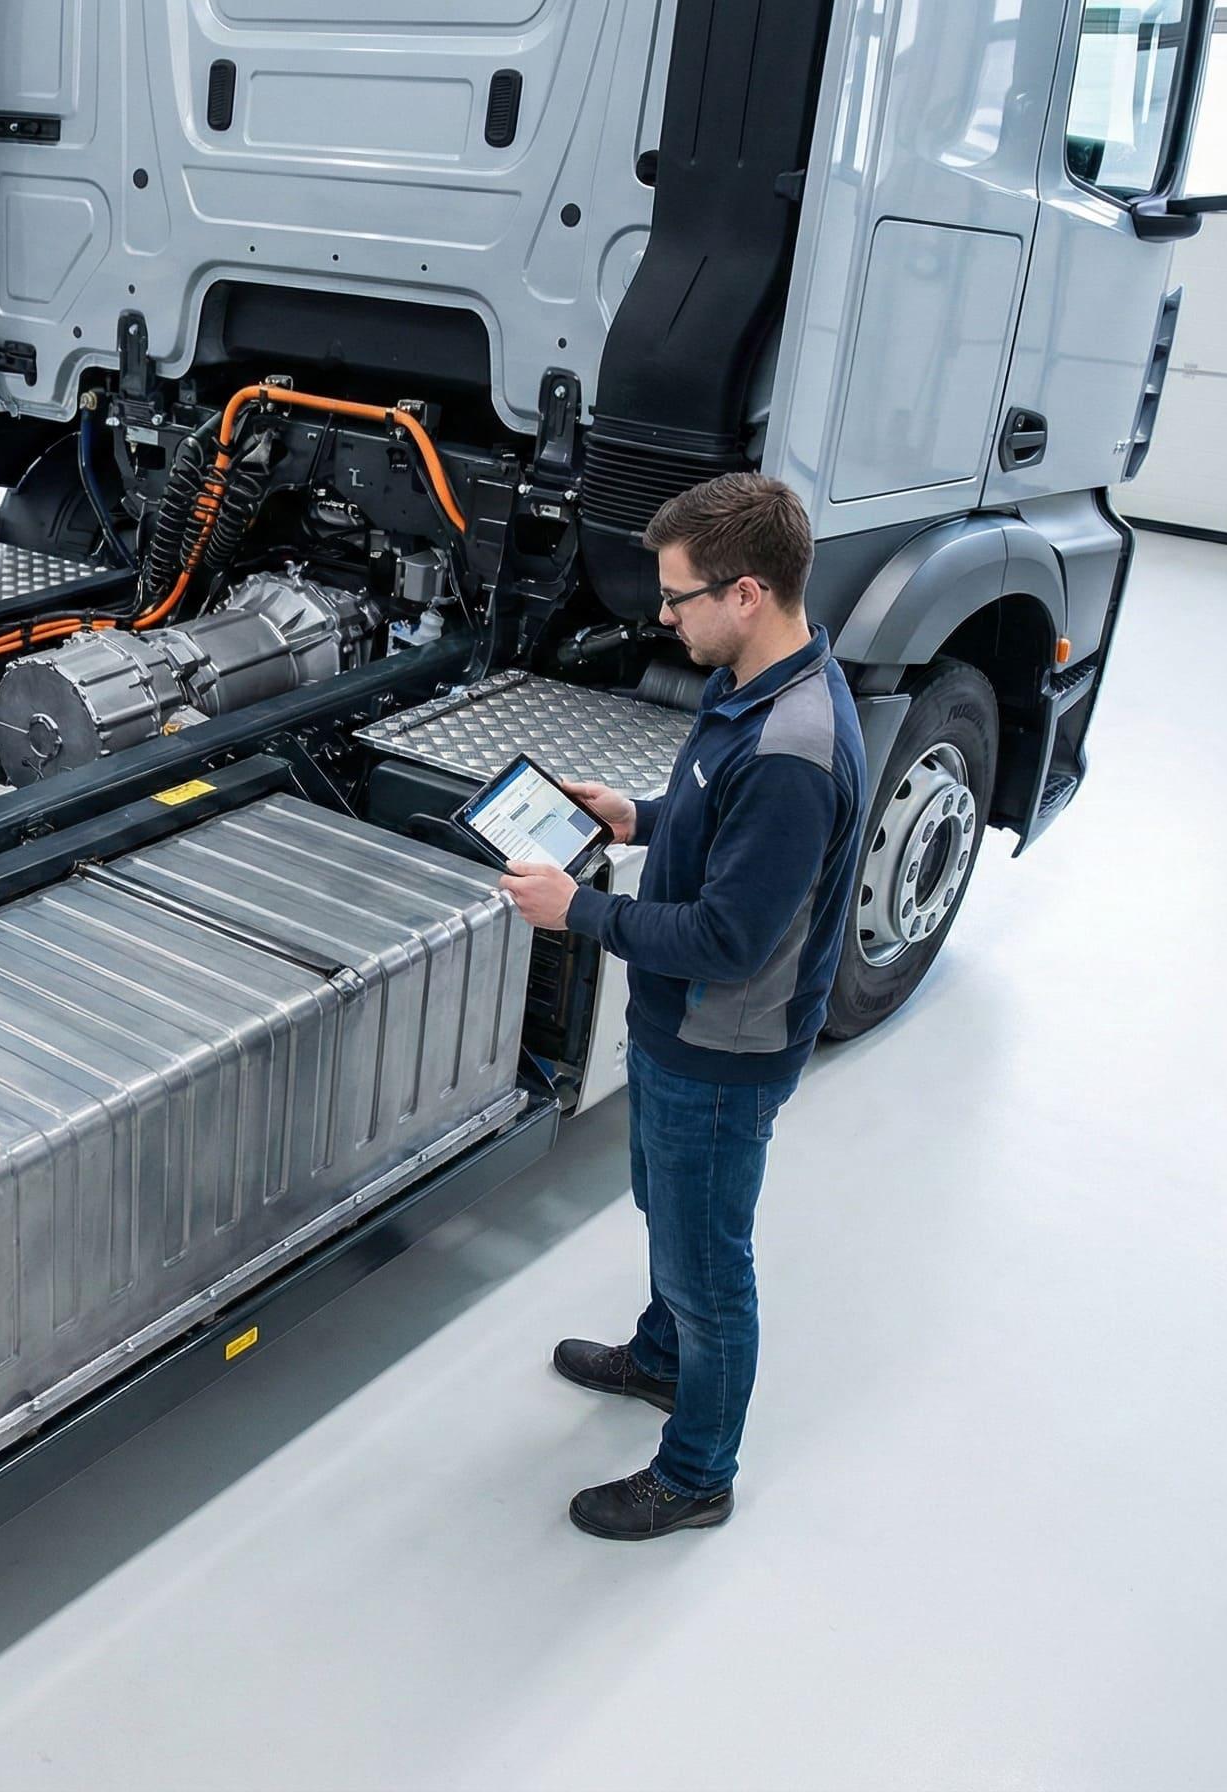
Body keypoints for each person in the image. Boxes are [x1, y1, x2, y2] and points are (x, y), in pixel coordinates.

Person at [497, 472, 866, 1541]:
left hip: (720, 1051)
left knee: (710, 1271)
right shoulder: (750, 679)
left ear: (746, 592)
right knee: (672, 1217)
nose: (664, 616)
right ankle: (661, 1362)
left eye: (679, 596)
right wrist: (636, 817)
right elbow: (722, 826)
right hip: (679, 1032)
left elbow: (728, 937)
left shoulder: (794, 744)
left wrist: (577, 912)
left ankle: (698, 1472)